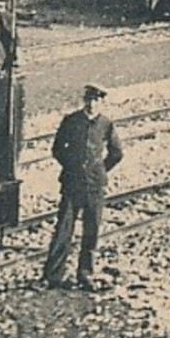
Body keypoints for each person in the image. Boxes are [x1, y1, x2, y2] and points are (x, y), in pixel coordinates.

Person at [42, 84, 124, 290]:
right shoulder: (71, 121)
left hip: (95, 185)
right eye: (89, 99)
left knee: (91, 230)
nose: (92, 104)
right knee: (63, 228)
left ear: (102, 102)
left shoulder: (106, 124)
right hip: (72, 183)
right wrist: (71, 166)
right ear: (84, 100)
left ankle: (85, 273)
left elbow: (117, 153)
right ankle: (54, 274)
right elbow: (58, 148)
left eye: (96, 100)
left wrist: (100, 170)